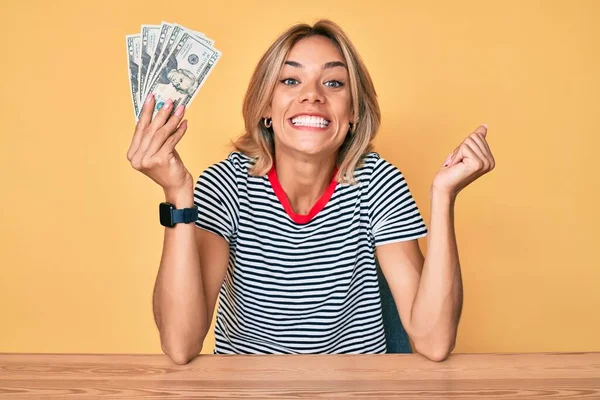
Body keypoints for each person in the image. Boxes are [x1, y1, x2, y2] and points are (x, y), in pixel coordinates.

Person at [126, 19, 495, 365]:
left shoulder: (378, 183)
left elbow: (434, 342)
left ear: (353, 113)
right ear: (266, 107)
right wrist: (177, 194)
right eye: (290, 81)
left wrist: (444, 196)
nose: (312, 96)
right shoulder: (228, 185)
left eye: (333, 83)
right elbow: (179, 344)